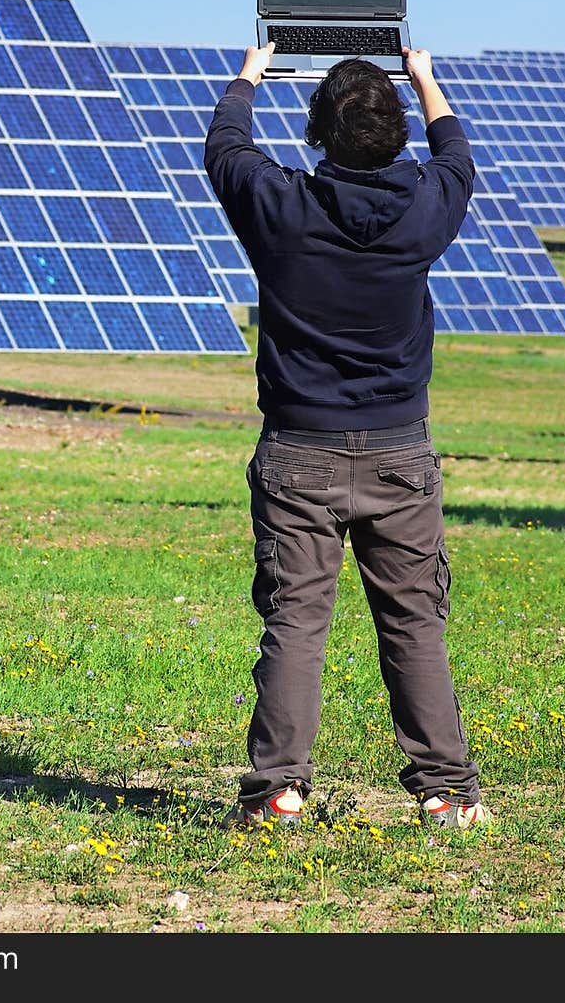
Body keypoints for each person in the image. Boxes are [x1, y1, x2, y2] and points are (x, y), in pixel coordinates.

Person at [204, 42, 492, 833]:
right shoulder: (427, 206)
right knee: (414, 623)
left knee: (296, 619)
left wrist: (250, 72)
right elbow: (458, 154)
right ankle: (445, 792)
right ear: (396, 133)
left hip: (298, 450)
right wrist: (424, 76)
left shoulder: (281, 207)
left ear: (317, 133)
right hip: (401, 451)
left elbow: (225, 145)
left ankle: (278, 792)